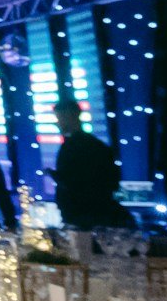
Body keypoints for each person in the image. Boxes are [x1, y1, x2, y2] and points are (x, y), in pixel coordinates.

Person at [50, 99, 133, 230]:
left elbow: (71, 182)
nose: (57, 123)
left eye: (59, 118)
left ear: (69, 116)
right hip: (101, 215)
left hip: (81, 218)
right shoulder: (98, 145)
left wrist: (55, 176)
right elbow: (113, 182)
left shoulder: (71, 147)